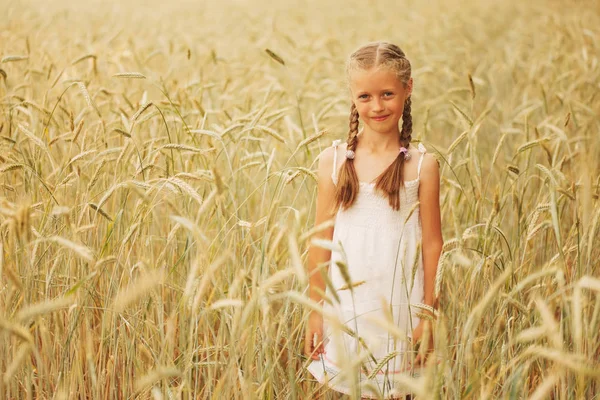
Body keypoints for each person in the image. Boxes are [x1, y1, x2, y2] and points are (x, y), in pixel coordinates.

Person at [304, 41, 443, 399]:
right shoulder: (333, 162)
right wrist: (315, 312)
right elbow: (320, 240)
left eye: (387, 94)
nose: (377, 106)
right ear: (352, 96)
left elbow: (432, 244)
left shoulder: (421, 166)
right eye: (365, 96)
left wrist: (426, 315)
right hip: (345, 309)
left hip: (400, 309)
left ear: (408, 88)